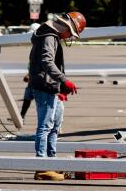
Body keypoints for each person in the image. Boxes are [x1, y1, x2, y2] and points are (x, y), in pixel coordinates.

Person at [26, 11, 86, 180]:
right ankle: (42, 167)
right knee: (45, 127)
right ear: (66, 27)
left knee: (55, 125)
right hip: (44, 87)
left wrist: (60, 88)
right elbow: (47, 62)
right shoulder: (49, 37)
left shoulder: (51, 35)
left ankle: (51, 163)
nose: (69, 38)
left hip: (50, 86)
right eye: (71, 34)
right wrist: (64, 80)